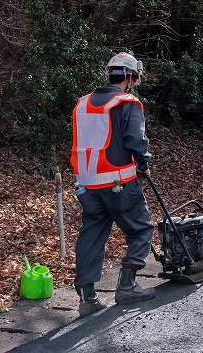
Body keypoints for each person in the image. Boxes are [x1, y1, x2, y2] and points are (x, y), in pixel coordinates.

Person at [71, 52, 156, 317]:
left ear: (110, 73)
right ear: (130, 77)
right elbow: (136, 140)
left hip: (87, 185)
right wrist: (144, 164)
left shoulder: (82, 103)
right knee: (142, 228)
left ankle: (87, 298)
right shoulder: (127, 102)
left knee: (92, 233)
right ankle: (127, 286)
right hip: (118, 182)